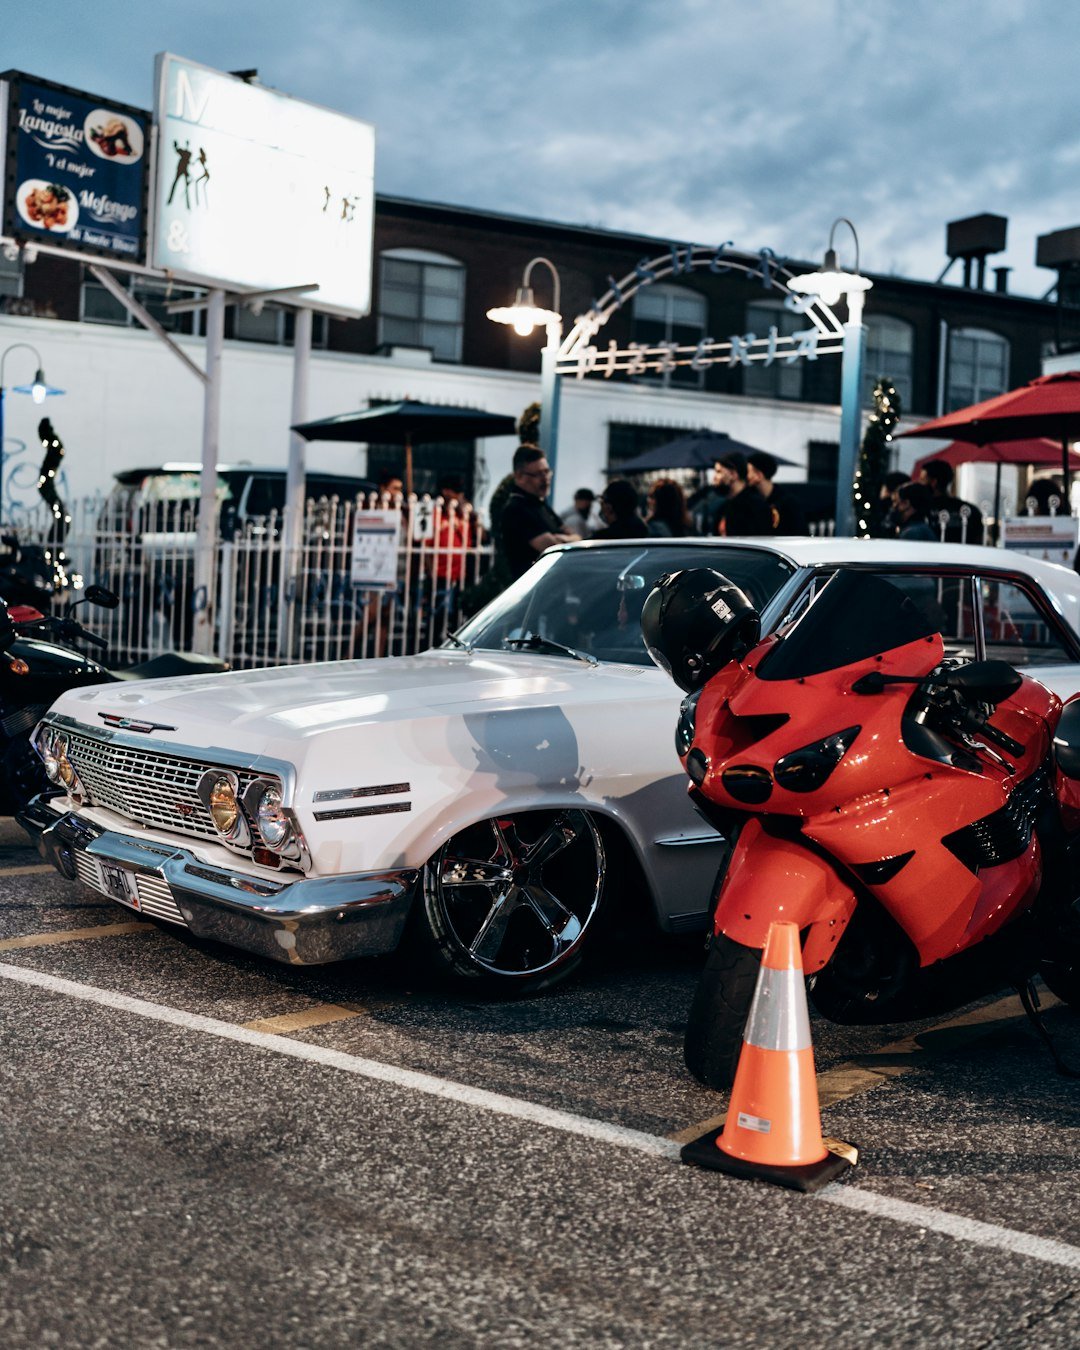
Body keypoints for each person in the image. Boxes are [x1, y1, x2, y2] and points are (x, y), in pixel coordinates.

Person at [498, 446, 579, 579]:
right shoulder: (516, 509)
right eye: (538, 474)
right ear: (519, 476)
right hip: (531, 586)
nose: (545, 479)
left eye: (547, 472)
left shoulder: (541, 505)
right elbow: (554, 548)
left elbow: (577, 540)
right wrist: (563, 539)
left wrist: (563, 539)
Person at [918, 459, 983, 544]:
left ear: (933, 482)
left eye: (922, 480)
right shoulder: (970, 510)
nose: (919, 484)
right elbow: (978, 542)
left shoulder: (920, 509)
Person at [746, 451, 807, 534]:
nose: (745, 476)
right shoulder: (751, 499)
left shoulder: (788, 503)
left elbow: (800, 532)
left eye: (748, 471)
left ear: (759, 475)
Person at [714, 451, 773, 537]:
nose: (714, 478)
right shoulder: (726, 506)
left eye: (719, 472)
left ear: (733, 474)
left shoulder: (754, 506)